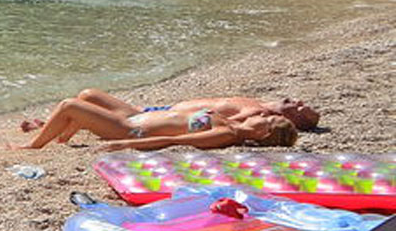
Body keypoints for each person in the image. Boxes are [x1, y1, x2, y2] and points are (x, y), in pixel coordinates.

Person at [17, 101, 300, 151]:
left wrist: (125, 143)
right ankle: (63, 135)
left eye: (265, 118)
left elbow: (176, 142)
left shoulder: (226, 134)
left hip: (129, 129)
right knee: (89, 95)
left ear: (264, 131)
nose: (261, 114)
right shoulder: (231, 124)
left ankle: (33, 145)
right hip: (133, 120)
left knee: (70, 105)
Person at [18, 89, 319, 135]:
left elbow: (224, 125)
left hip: (152, 117)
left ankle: (51, 128)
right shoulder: (257, 102)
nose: (298, 102)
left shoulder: (256, 116)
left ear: (292, 120)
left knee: (82, 102)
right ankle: (61, 129)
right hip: (156, 110)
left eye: (301, 110)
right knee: (87, 95)